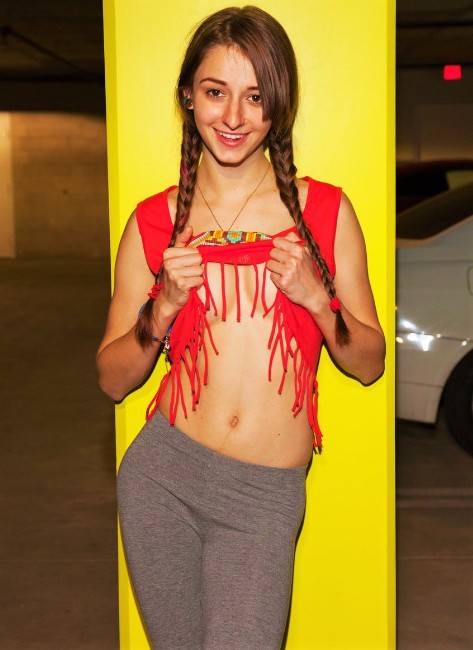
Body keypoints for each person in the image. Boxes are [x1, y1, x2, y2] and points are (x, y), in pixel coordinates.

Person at [97, 5, 386, 649]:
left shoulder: (324, 211)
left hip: (263, 495)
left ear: (278, 107)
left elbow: (369, 364)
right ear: (187, 96)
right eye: (215, 92)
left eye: (255, 97)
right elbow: (112, 380)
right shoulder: (153, 222)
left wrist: (319, 301)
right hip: (163, 479)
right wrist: (160, 309)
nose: (233, 117)